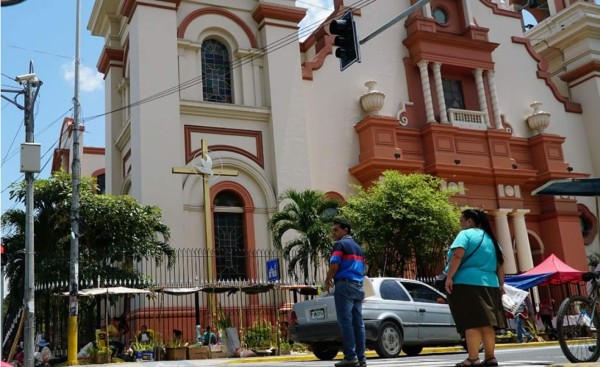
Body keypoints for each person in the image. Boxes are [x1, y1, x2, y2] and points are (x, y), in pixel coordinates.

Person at [444, 208, 505, 367]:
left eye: (461, 221)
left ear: (469, 221)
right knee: (487, 323)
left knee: (471, 322)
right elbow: (500, 266)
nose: (460, 224)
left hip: (467, 283)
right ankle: (490, 357)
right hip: (491, 284)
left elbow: (458, 255)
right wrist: (501, 284)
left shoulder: (466, 234)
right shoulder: (492, 240)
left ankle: (473, 358)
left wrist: (449, 276)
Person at [324, 218, 366, 367]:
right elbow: (363, 269)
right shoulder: (358, 247)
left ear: (345, 230)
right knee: (358, 324)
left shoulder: (339, 245)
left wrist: (327, 279)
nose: (333, 233)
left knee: (345, 322)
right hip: (359, 286)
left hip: (344, 286)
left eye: (336, 230)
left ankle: (350, 356)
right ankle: (361, 358)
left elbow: (334, 266)